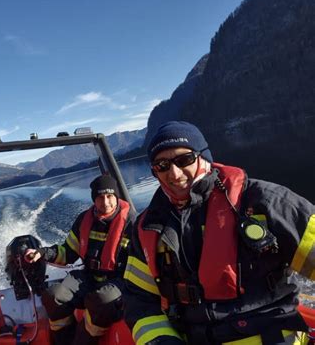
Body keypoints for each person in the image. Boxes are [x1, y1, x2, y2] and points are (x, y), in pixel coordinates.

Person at [123, 121, 315, 345]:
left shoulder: (266, 202)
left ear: (204, 157)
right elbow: (139, 299)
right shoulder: (148, 226)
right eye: (162, 165)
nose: (174, 174)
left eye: (184, 160)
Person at [25, 174, 135, 345]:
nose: (105, 203)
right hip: (89, 277)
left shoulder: (132, 223)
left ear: (116, 197)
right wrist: (42, 253)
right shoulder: (84, 220)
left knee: (101, 300)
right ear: (93, 199)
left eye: (109, 196)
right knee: (53, 295)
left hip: (120, 281)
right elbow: (67, 252)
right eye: (100, 197)